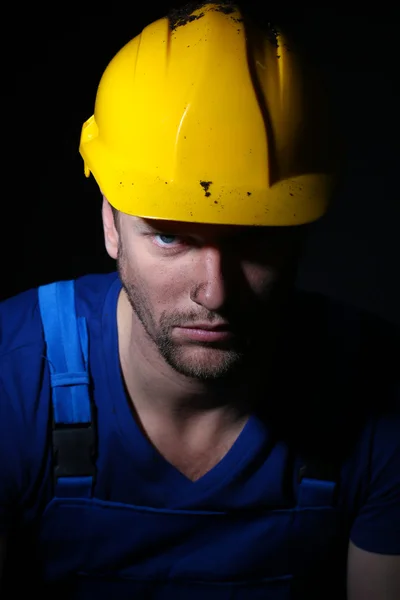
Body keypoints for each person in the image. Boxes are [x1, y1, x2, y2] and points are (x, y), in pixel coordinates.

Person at [0, 2, 399, 599]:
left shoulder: (380, 390)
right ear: (111, 225)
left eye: (257, 240)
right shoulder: (10, 378)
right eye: (170, 235)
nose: (215, 291)